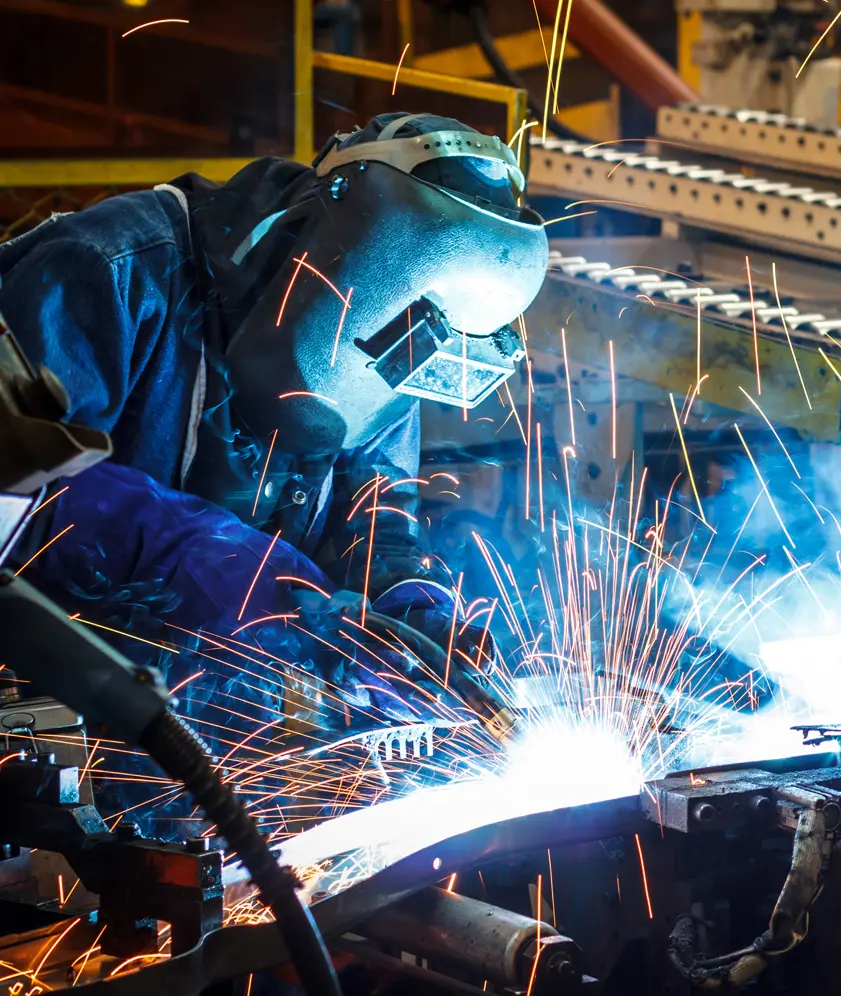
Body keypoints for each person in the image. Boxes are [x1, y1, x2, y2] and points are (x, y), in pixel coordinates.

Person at [0, 113, 548, 752]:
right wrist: (193, 554)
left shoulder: (393, 338)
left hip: (202, 721)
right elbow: (14, 485)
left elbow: (376, 509)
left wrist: (411, 606)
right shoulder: (106, 271)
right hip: (45, 708)